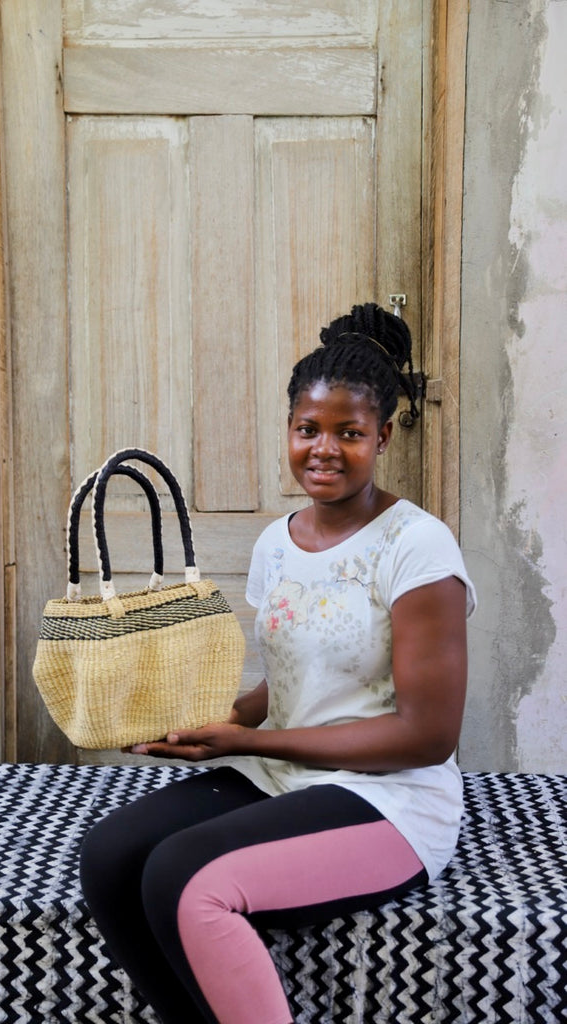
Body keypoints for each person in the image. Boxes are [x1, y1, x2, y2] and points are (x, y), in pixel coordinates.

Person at [79, 302, 477, 1024]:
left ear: (383, 436)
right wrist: (214, 723)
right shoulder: (276, 543)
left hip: (391, 799)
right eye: (307, 429)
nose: (324, 449)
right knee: (110, 855)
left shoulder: (417, 547)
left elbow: (427, 736)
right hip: (284, 777)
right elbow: (291, 681)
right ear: (288, 430)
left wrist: (249, 742)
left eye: (349, 433)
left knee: (185, 879)